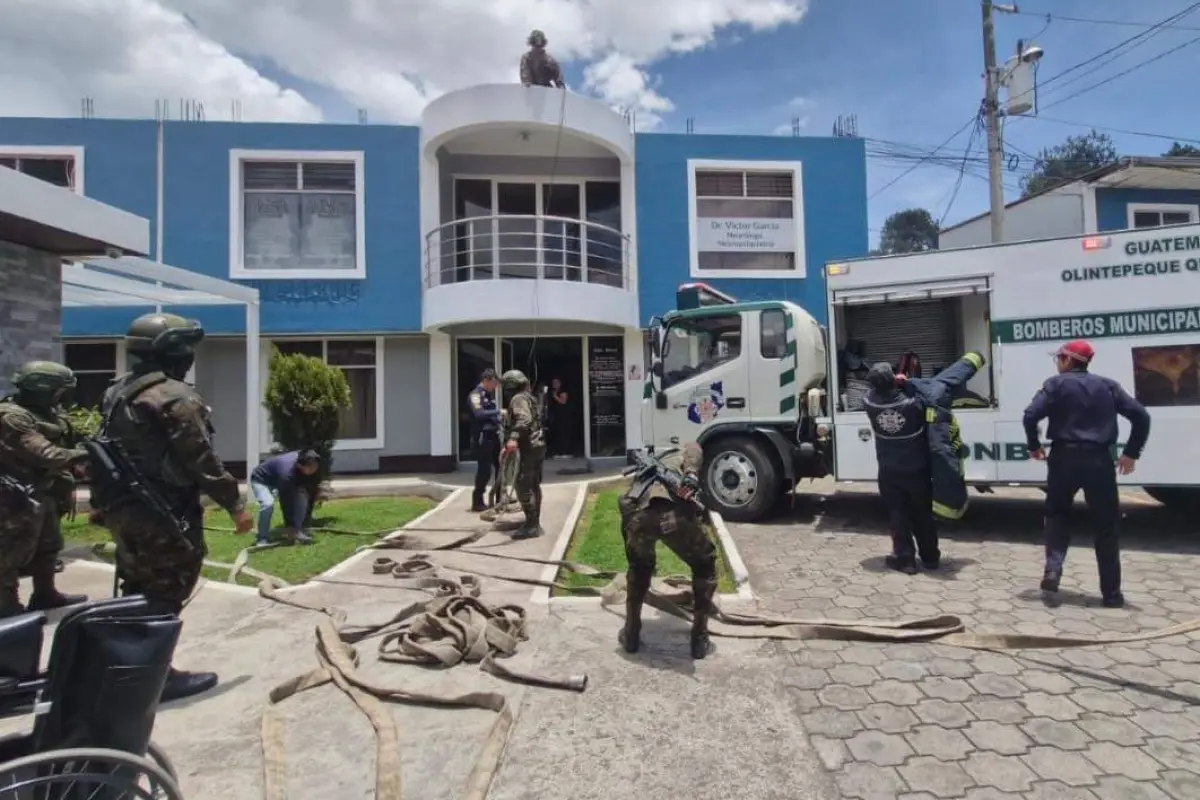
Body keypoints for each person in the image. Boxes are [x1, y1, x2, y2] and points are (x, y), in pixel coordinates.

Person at [96, 312, 253, 702]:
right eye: (186, 351)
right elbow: (201, 460)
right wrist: (235, 504)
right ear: (174, 353)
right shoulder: (174, 397)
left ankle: (123, 664)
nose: (190, 359)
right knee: (166, 590)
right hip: (162, 512)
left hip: (125, 509)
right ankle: (155, 675)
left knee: (136, 584)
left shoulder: (118, 392)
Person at [1023, 340, 1151, 608]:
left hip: (1063, 459)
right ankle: (1112, 595)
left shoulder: (1054, 385)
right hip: (1099, 462)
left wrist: (1034, 446)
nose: (1057, 363)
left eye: (1058, 358)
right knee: (1106, 527)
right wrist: (1131, 453)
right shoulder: (1108, 386)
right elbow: (1141, 416)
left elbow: (1030, 416)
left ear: (1069, 361)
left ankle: (1053, 570)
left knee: (1057, 514)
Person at [863, 352, 984, 574]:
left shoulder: (869, 403)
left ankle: (905, 559)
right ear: (893, 380)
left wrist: (896, 382)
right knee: (922, 513)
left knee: (897, 514)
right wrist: (907, 381)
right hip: (917, 470)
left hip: (889, 471)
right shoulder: (913, 404)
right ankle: (930, 558)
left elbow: (873, 392)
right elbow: (930, 394)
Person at [0, 361, 90, 618]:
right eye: (59, 391)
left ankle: (45, 594)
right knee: (9, 553)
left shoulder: (47, 414)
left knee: (48, 546)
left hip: (44, 492)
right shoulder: (12, 417)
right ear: (44, 390)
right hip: (13, 498)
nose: (62, 397)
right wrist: (86, 454)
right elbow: (46, 454)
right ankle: (6, 605)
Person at [617, 443, 715, 660]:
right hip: (672, 515)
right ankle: (699, 638)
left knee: (639, 568)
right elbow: (696, 448)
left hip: (637, 516)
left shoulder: (652, 468)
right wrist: (691, 475)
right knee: (704, 566)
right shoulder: (683, 450)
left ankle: (631, 633)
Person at [501, 369, 546, 539]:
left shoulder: (518, 399)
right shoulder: (529, 397)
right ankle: (534, 522)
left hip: (529, 448)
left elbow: (524, 420)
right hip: (538, 445)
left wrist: (513, 439)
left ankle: (532, 524)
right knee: (534, 484)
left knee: (523, 485)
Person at [249, 449, 321, 546]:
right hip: (261, 479)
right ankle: (262, 538)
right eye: (310, 467)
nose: (314, 469)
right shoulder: (287, 473)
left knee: (303, 500)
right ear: (300, 466)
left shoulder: (312, 468)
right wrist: (290, 525)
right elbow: (286, 501)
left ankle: (299, 532)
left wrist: (306, 523)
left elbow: (311, 495)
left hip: (279, 478)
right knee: (268, 504)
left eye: (315, 466)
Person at [468, 369, 502, 512]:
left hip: (493, 436)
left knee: (501, 466)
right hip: (482, 438)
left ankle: (500, 498)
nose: (495, 387)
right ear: (487, 380)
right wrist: (499, 411)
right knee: (484, 471)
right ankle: (477, 501)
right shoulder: (475, 395)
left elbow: (491, 417)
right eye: (494, 383)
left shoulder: (488, 396)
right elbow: (479, 413)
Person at [546, 376, 570, 458]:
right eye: (553, 382)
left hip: (563, 415)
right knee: (556, 432)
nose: (554, 384)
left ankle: (564, 451)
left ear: (560, 383)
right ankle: (557, 451)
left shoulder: (563, 391)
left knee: (563, 432)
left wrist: (555, 396)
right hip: (555, 415)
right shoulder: (552, 391)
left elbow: (563, 401)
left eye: (556, 382)